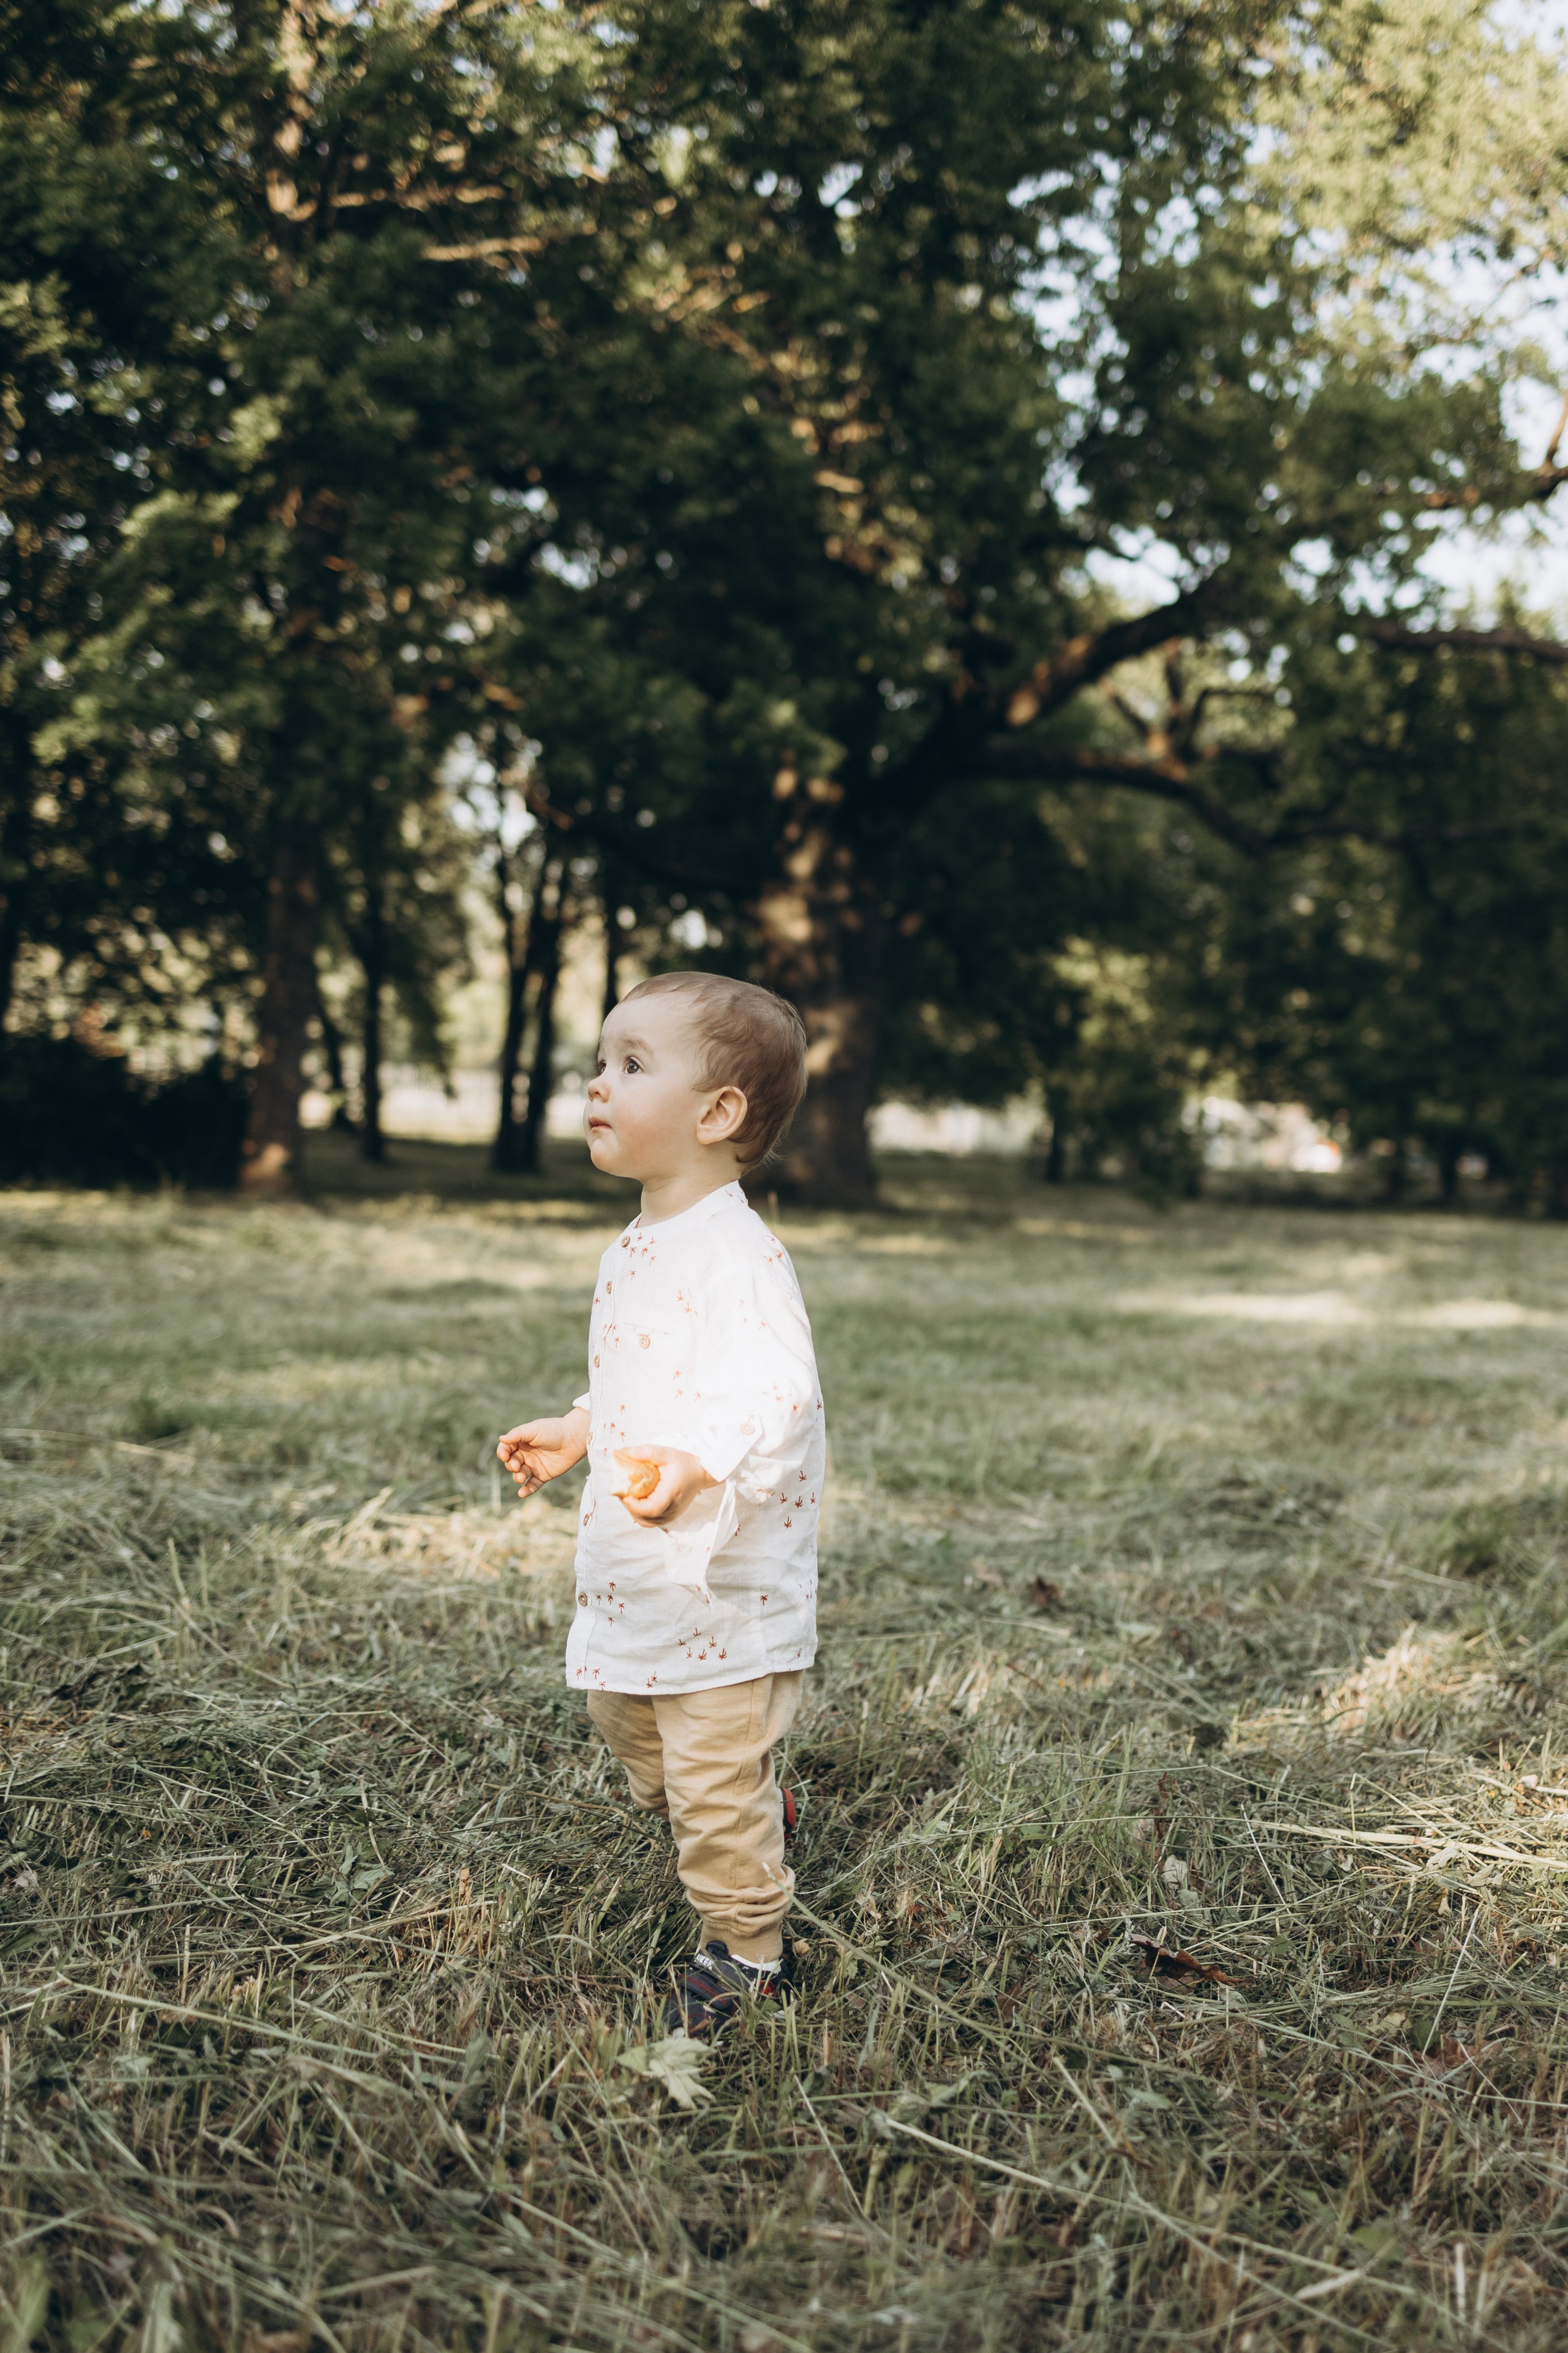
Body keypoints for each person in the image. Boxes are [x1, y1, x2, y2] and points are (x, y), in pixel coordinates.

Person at [496, 970, 824, 2039]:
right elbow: (641, 1366)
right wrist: (585, 1426)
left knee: (708, 1778)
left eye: (631, 1065)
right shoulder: (638, 1242)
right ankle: (740, 1803)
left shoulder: (740, 1253)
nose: (597, 1084)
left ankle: (748, 1950)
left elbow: (776, 1388)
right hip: (641, 1563)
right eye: (600, 1061)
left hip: (719, 1581)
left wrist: (697, 1457)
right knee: (622, 1715)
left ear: (717, 1114)